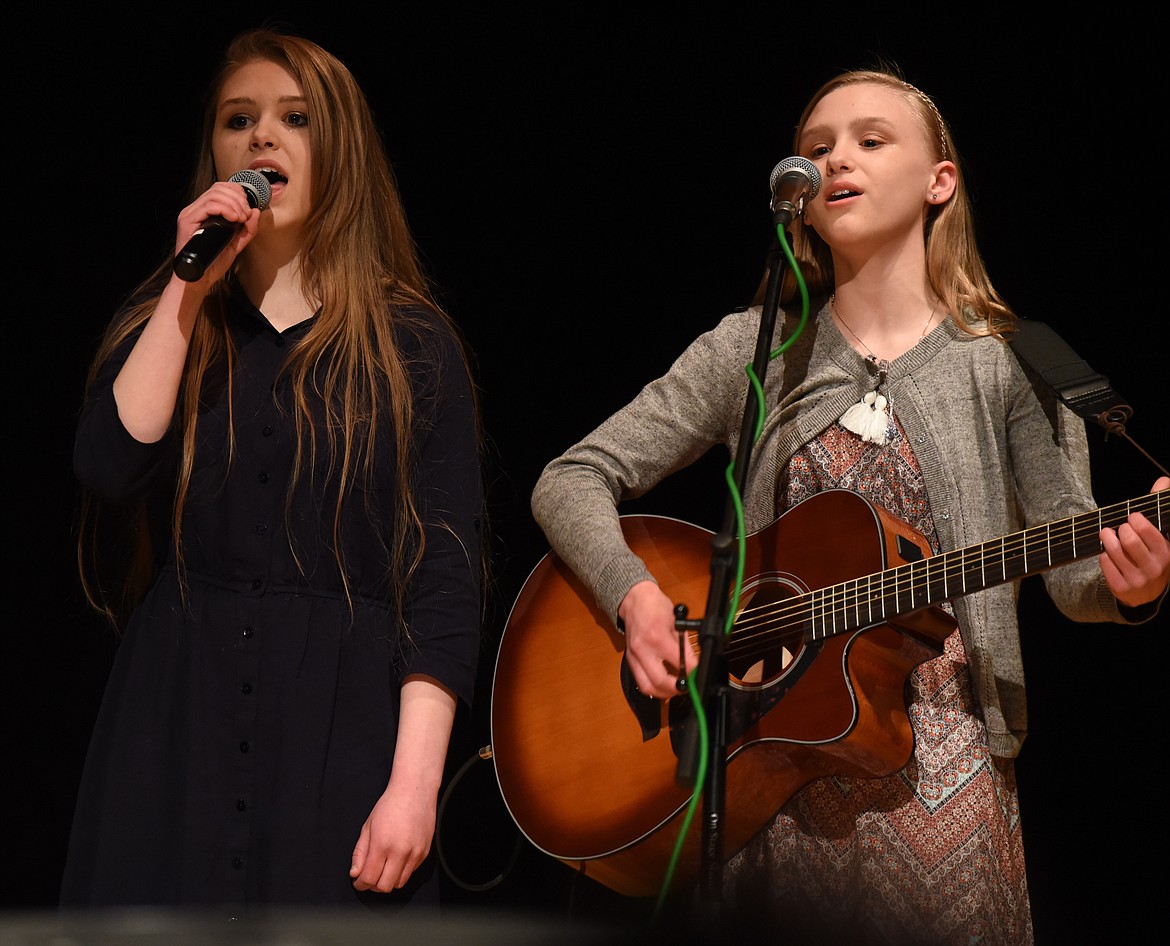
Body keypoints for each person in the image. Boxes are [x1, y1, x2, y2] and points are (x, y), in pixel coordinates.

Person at [530, 67, 1169, 945]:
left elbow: (1074, 572)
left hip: (949, 769)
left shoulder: (1012, 364)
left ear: (940, 181)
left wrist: (1129, 583)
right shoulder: (753, 352)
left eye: (872, 140)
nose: (837, 160)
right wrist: (636, 598)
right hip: (777, 774)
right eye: (819, 146)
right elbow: (570, 478)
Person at [62, 28, 484, 913]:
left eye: (294, 119)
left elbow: (445, 579)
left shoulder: (411, 343)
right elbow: (109, 465)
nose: (262, 139)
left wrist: (414, 784)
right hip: (178, 726)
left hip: (338, 737)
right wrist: (186, 286)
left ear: (339, 151)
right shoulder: (176, 322)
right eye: (237, 120)